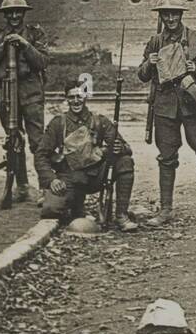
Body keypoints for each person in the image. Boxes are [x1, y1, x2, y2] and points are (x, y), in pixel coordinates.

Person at [137, 0, 196, 225]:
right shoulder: (154, 42)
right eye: (166, 13)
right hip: (165, 107)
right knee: (166, 157)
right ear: (161, 16)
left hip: (193, 104)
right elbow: (142, 75)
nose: (170, 17)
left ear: (181, 14)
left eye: (174, 13)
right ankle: (166, 210)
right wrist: (150, 63)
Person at [34, 79, 139, 231]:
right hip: (69, 177)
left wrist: (120, 148)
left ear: (86, 97)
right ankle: (76, 207)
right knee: (51, 210)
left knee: (125, 161)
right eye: (71, 97)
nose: (76, 101)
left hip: (96, 176)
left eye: (79, 96)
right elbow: (41, 155)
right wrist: (51, 180)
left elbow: (124, 146)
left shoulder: (99, 121)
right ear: (67, 99)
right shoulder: (59, 123)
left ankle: (121, 216)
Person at [0, 0, 48, 205]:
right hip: (6, 92)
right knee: (13, 139)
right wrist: (3, 45)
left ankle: (45, 187)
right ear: (5, 15)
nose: (15, 16)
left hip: (30, 91)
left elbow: (42, 62)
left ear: (24, 13)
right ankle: (21, 186)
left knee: (38, 142)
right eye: (10, 12)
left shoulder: (35, 33)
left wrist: (25, 44)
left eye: (19, 11)